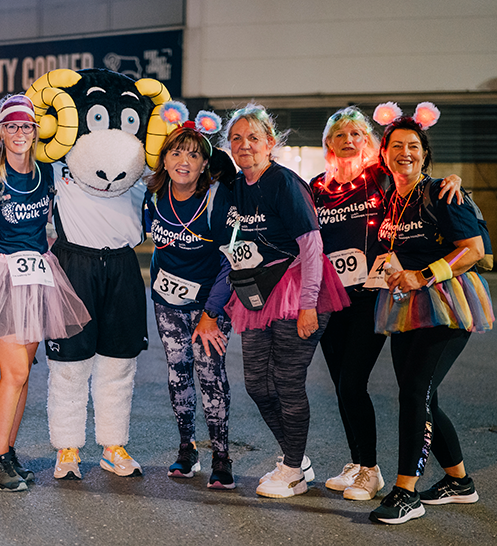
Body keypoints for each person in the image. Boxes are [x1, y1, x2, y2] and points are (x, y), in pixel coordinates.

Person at [311, 107, 463, 501]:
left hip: (373, 298)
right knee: (342, 387)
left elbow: (414, 175)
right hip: (332, 299)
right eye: (339, 135)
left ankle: (370, 470)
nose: (348, 141)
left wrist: (453, 179)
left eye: (357, 135)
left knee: (353, 382)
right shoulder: (315, 188)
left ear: (370, 143)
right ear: (328, 143)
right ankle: (359, 462)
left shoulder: (378, 179)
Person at [0, 94, 90, 492]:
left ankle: (8, 454)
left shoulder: (45, 174)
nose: (19, 133)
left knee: (23, 376)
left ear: (35, 130)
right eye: (11, 125)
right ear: (0, 130)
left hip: (35, 280)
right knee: (15, 373)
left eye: (26, 126)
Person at [368, 105, 494, 524]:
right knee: (423, 394)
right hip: (407, 305)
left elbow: (473, 251)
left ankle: (407, 491)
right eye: (396, 145)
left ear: (425, 154)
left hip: (447, 302)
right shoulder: (389, 197)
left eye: (414, 146)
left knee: (414, 392)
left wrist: (423, 274)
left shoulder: (442, 191)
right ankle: (459, 482)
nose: (405, 152)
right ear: (384, 152)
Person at [222, 103, 349, 498]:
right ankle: (296, 455)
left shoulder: (285, 183)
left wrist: (309, 304)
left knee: (288, 383)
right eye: (237, 138)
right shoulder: (236, 188)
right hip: (257, 293)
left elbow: (312, 247)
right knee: (257, 384)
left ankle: (293, 469)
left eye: (253, 138)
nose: (245, 145)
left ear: (270, 143)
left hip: (298, 290)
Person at [143, 104, 236, 489]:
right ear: (164, 158)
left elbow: (233, 262)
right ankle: (187, 449)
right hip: (167, 302)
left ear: (204, 165)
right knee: (177, 373)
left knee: (209, 375)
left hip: (211, 303)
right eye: (176, 152)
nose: (184, 161)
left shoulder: (218, 200)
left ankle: (222, 456)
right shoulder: (151, 197)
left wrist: (211, 313)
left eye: (193, 154)